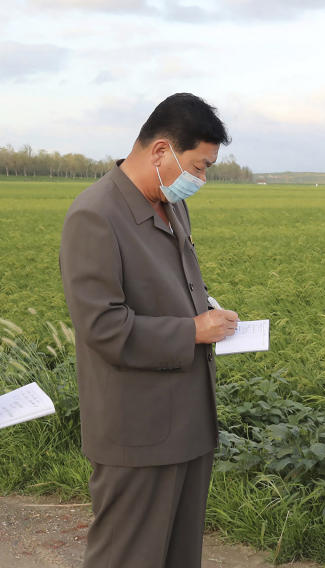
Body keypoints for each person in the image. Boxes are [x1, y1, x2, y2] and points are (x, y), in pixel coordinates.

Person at [60, 93, 239, 568]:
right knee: (129, 556)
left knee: (181, 556)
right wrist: (193, 330)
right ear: (161, 151)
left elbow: (166, 286)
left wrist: (207, 308)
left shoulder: (171, 205)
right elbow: (103, 327)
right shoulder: (95, 215)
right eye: (198, 167)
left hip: (189, 423)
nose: (201, 179)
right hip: (136, 431)